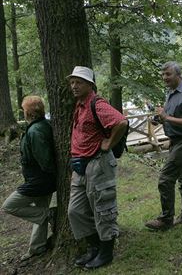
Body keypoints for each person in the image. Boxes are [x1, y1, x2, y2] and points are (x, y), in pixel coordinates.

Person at [67, 66, 128, 269]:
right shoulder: (80, 104)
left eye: (79, 82)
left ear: (90, 85)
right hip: (80, 166)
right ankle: (94, 248)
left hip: (97, 163)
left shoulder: (97, 103)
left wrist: (109, 143)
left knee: (102, 209)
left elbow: (121, 121)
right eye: (72, 82)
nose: (74, 86)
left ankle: (106, 253)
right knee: (75, 210)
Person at [145, 61, 182, 231]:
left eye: (168, 74)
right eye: (163, 74)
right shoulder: (170, 92)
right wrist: (160, 118)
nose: (164, 78)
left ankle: (165, 220)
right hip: (176, 140)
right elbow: (170, 115)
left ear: (178, 75)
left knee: (165, 179)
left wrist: (167, 118)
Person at [1, 96, 57, 261]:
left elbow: (45, 161)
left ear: (29, 112)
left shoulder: (35, 130)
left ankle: (50, 214)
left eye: (24, 109)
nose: (23, 112)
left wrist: (46, 176)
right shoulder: (42, 125)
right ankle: (37, 248)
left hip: (39, 182)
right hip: (41, 180)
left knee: (9, 206)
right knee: (38, 215)